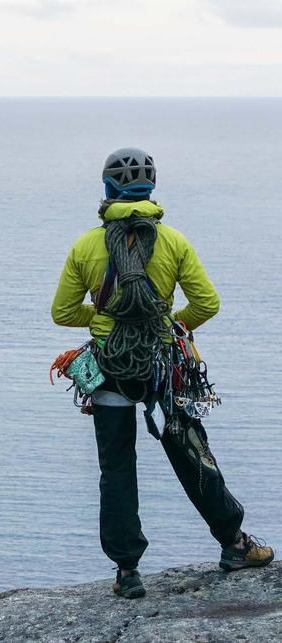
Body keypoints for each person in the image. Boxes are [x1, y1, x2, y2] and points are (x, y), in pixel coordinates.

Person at [50, 147, 274, 599]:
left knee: (116, 468)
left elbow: (62, 312)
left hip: (111, 366)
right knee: (191, 454)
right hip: (162, 367)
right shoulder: (173, 241)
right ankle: (234, 544)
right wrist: (170, 323)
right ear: (151, 188)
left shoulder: (86, 245)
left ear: (108, 189)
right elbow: (207, 302)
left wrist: (104, 320)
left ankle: (127, 571)